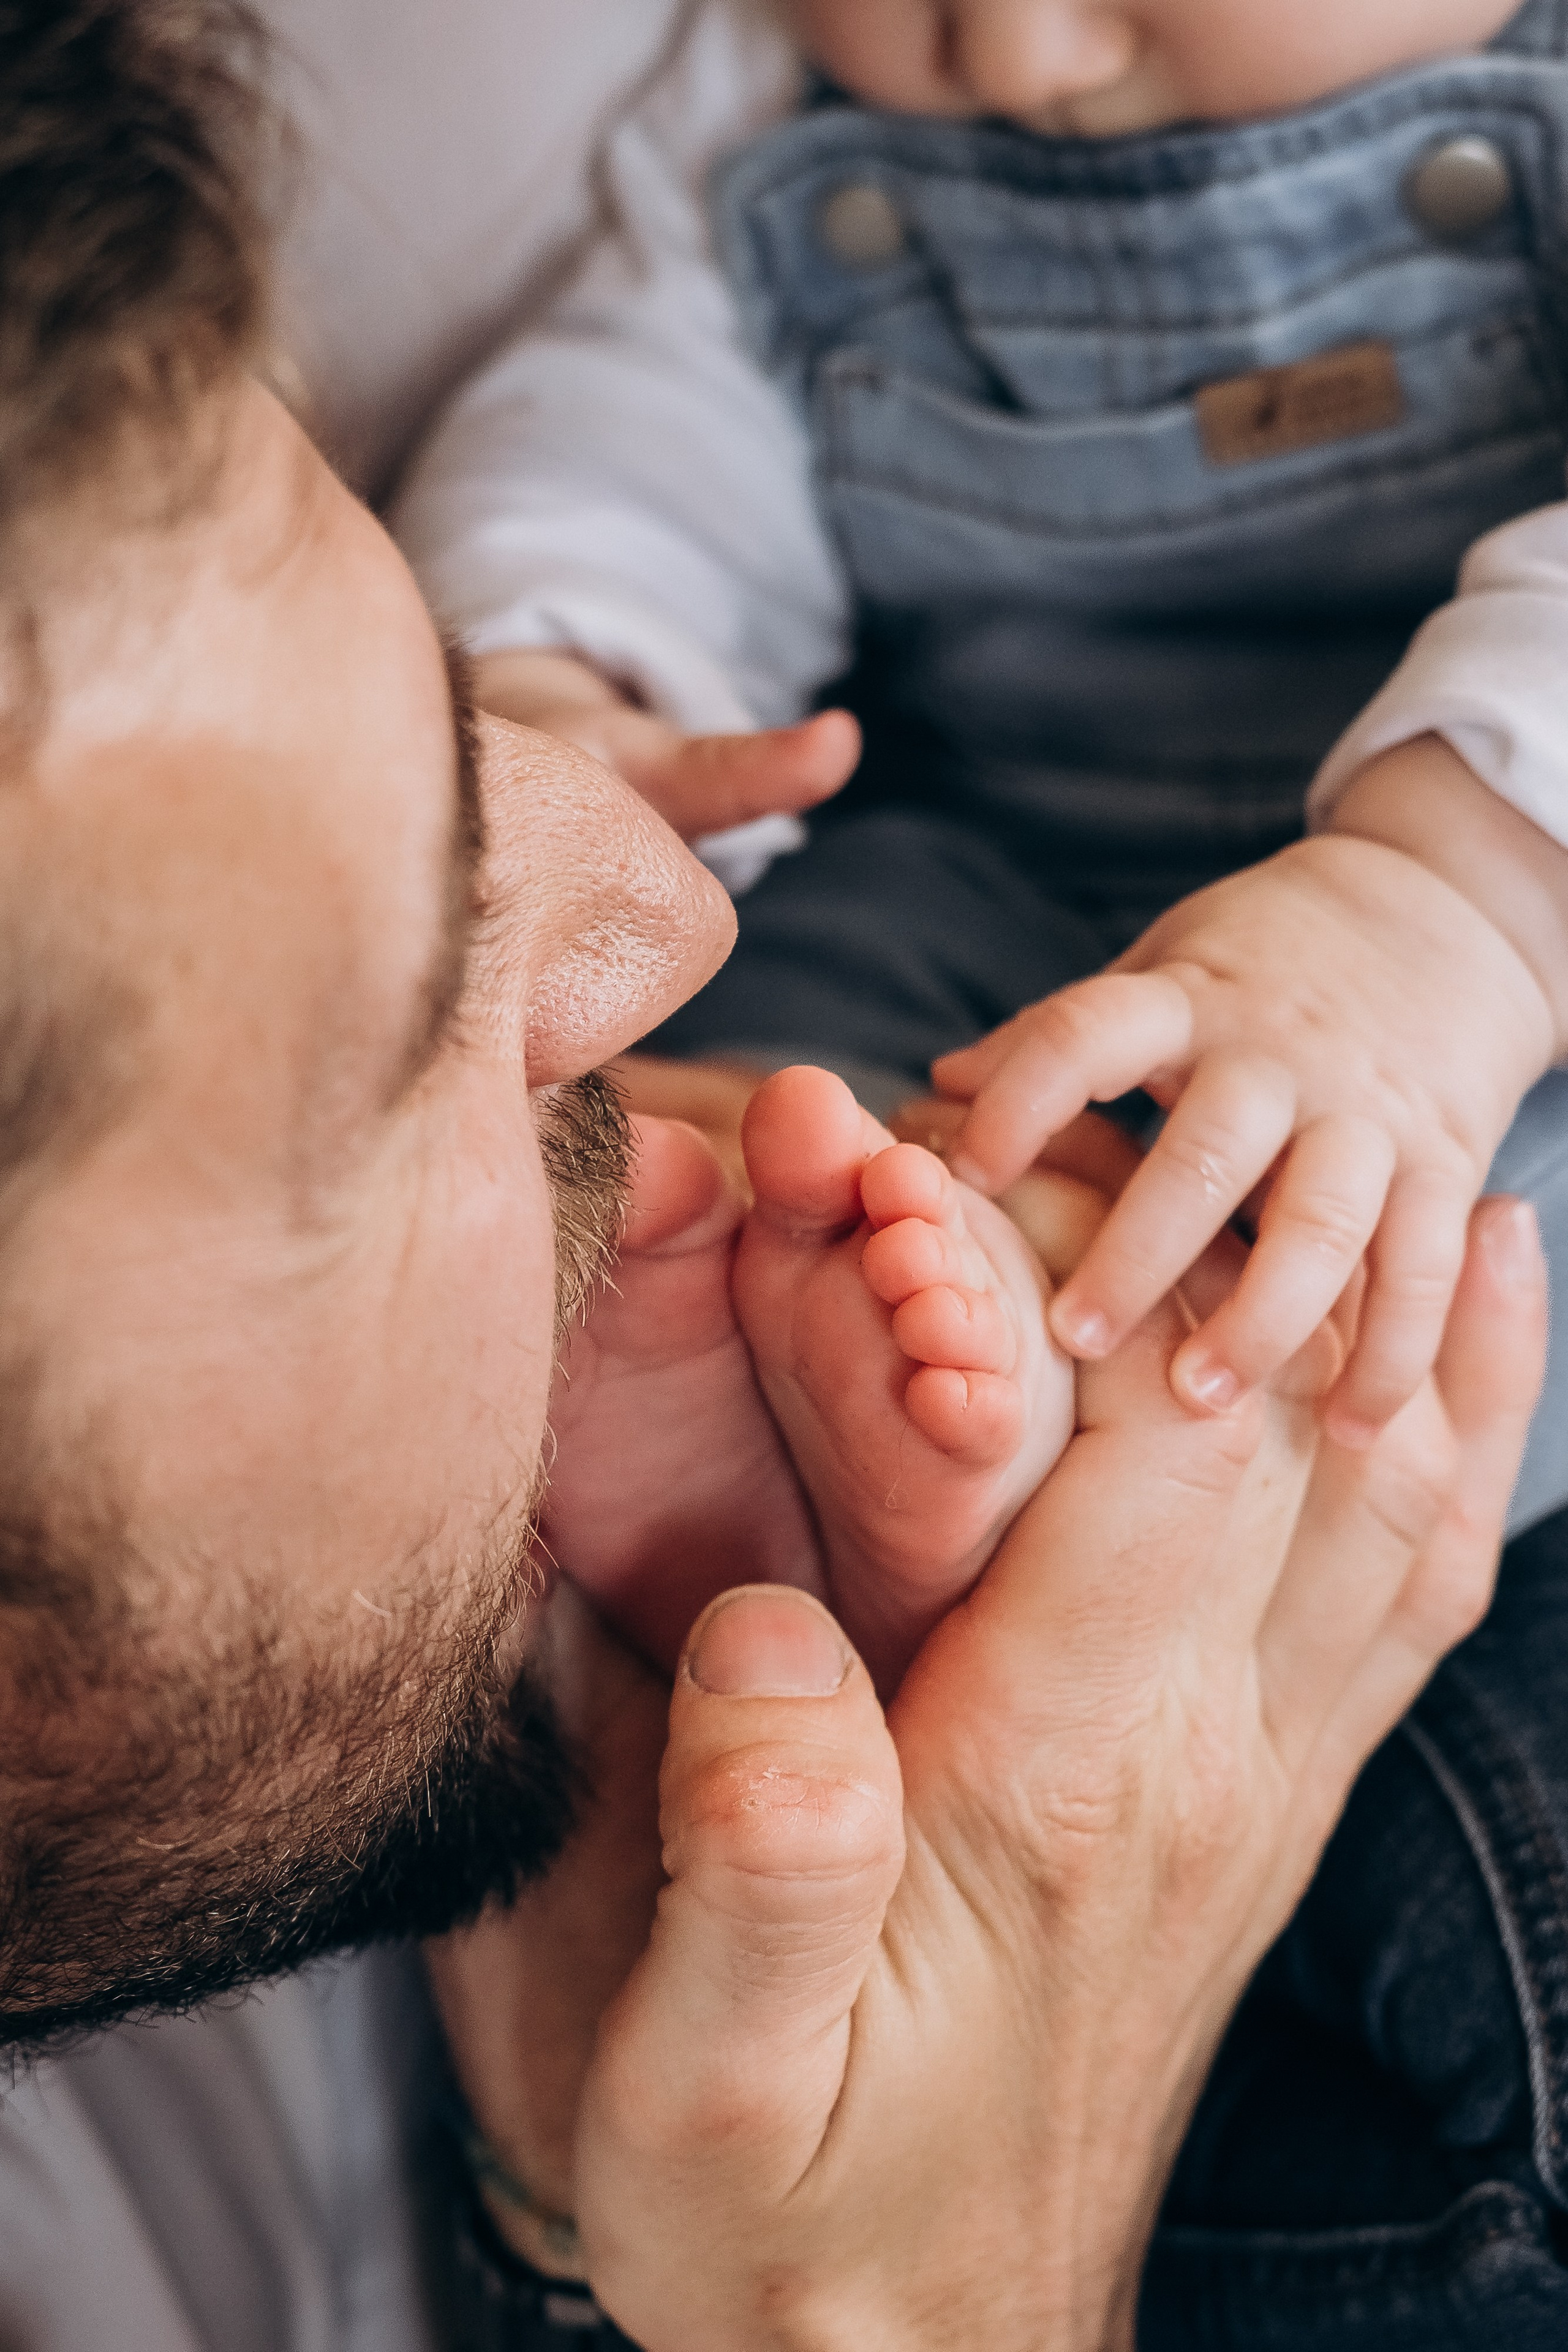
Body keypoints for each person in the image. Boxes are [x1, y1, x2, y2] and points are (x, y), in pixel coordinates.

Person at [0, 8, 1551, 2350]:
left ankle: (910, 1442)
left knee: (908, 1139)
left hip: (1475, 909)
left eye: (432, 728)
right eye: (416, 1001)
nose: (1023, 44)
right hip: (1006, 889)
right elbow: (646, 413)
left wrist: (1454, 898)